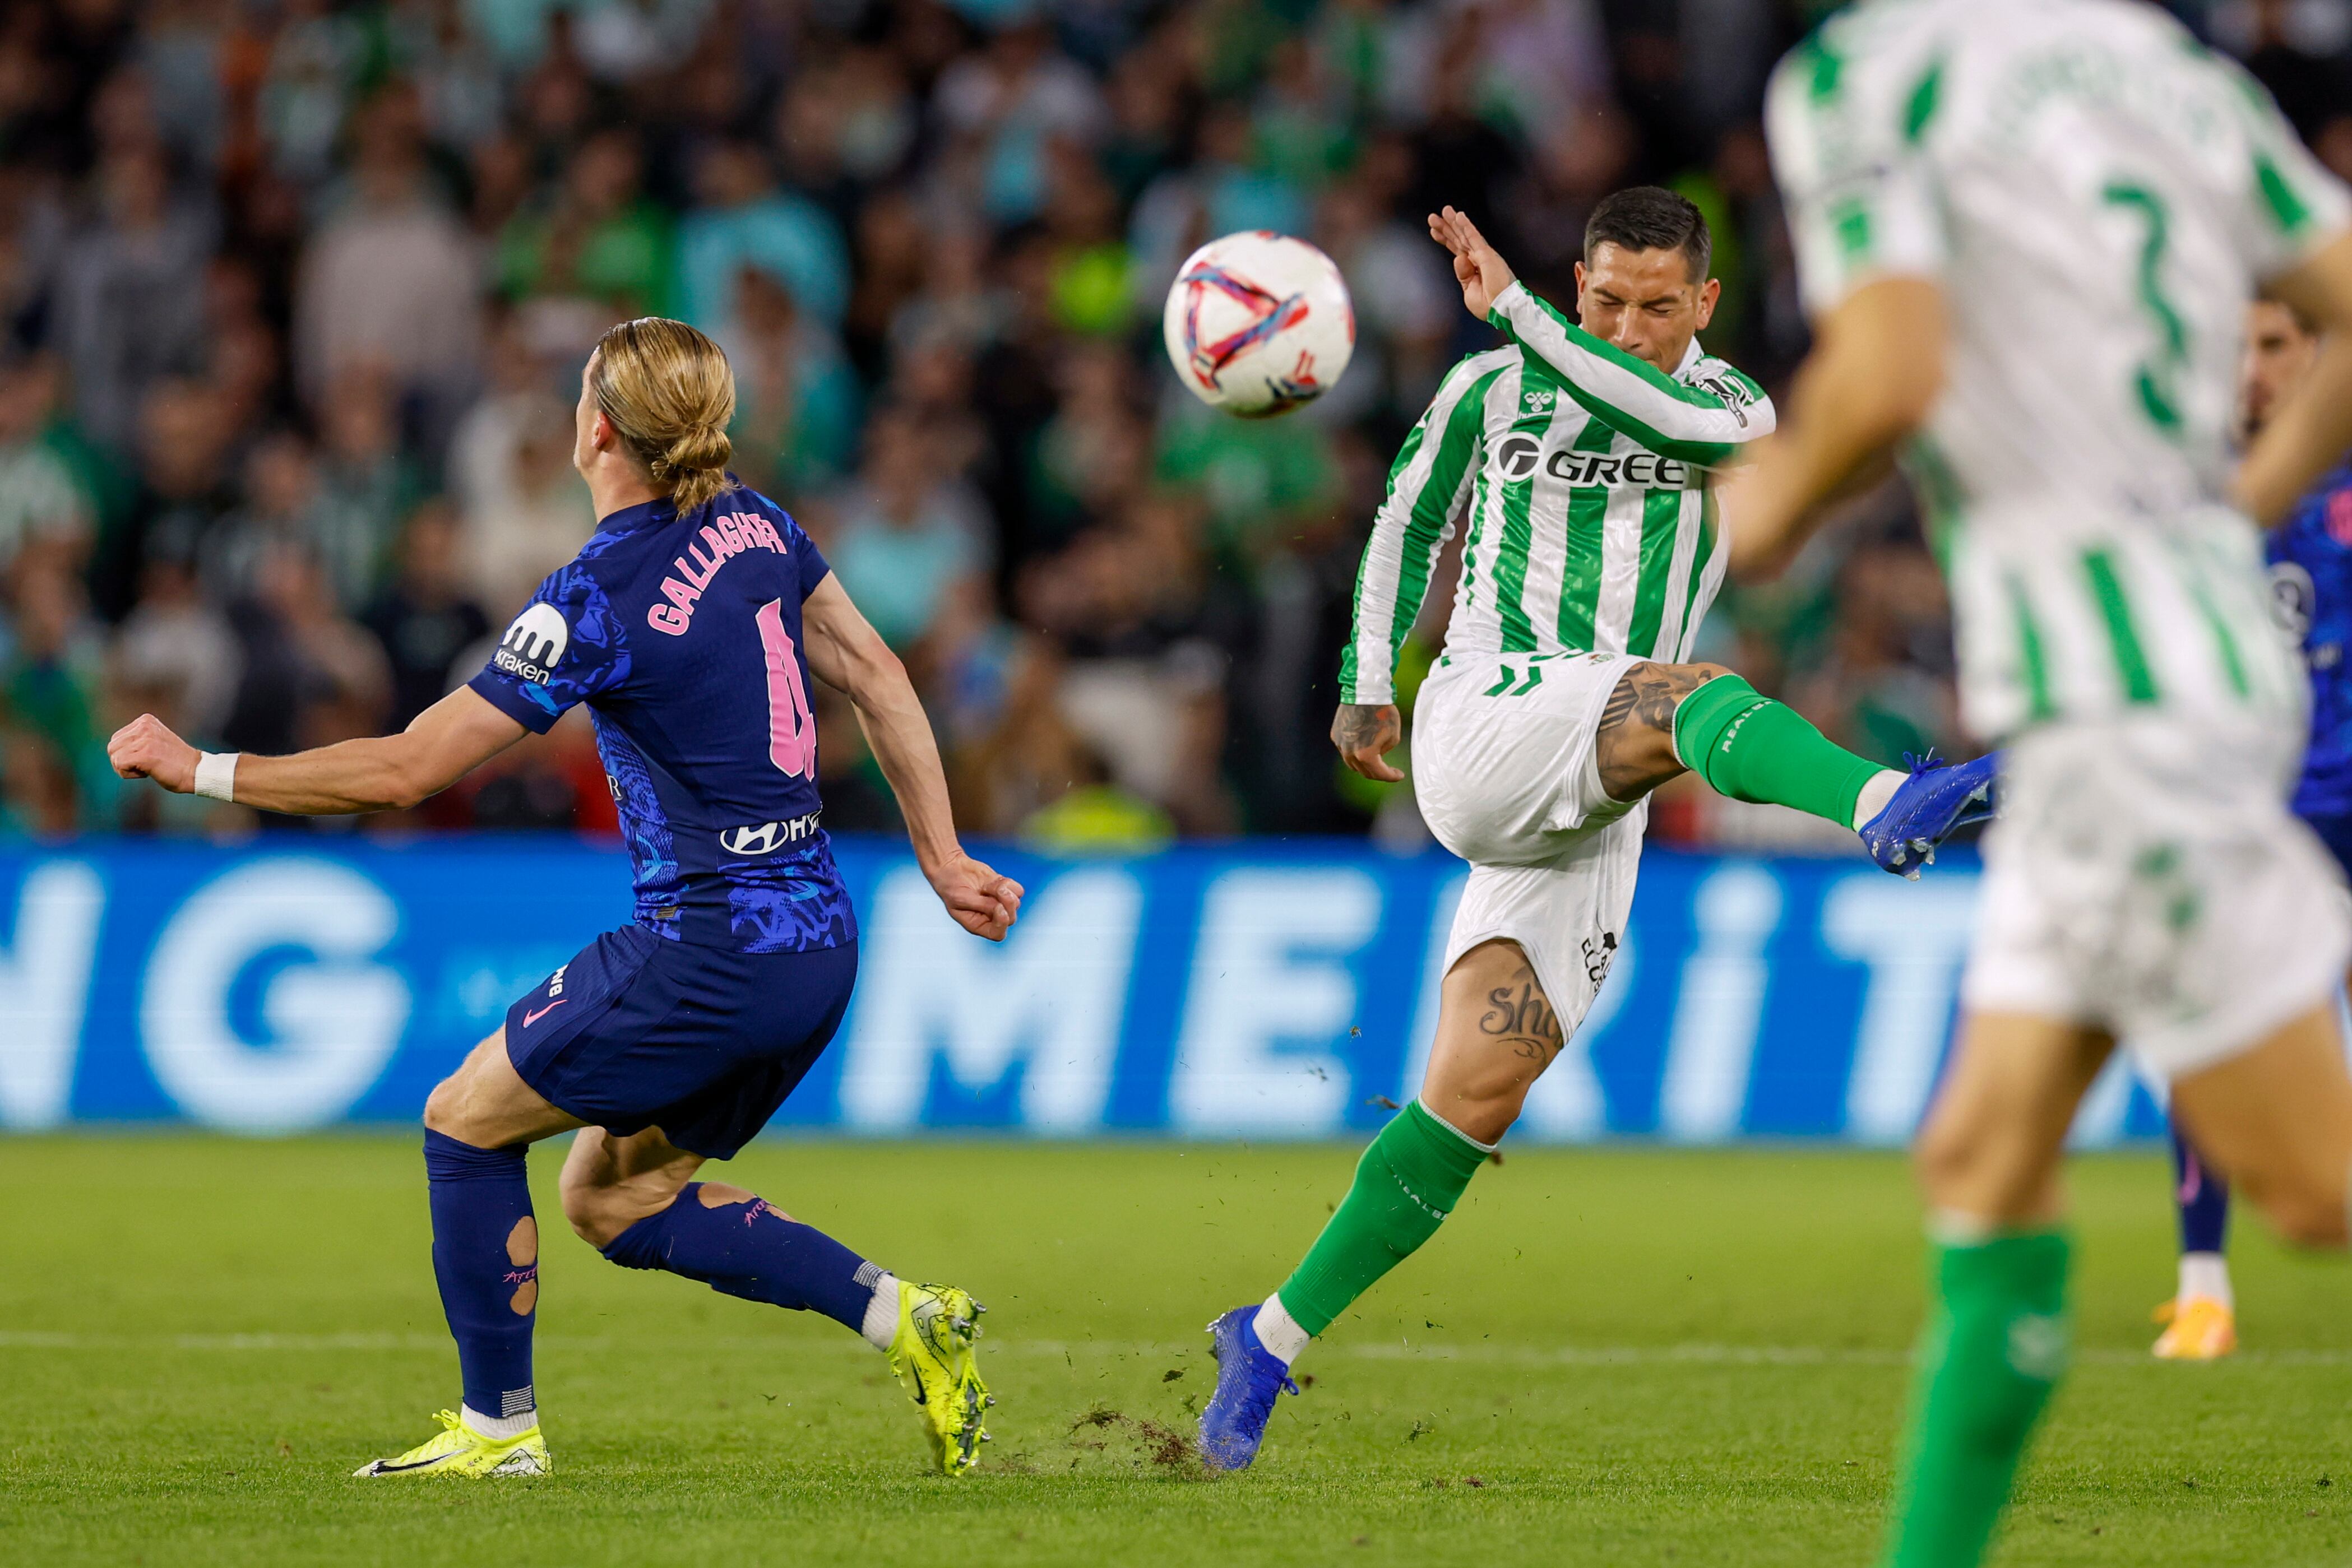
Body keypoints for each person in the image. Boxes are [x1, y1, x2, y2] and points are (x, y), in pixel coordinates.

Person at [107, 317, 1023, 1479]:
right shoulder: (754, 523)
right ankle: (909, 1319)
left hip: (708, 947)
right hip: (818, 944)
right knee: (611, 1201)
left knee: (461, 1120)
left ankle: (499, 1432)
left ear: (594, 427)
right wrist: (939, 855)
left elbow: (407, 770)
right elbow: (879, 675)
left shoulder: (596, 592)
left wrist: (207, 770)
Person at [1195, 188, 1996, 1471]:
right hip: (1494, 715)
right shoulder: (1485, 391)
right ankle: (1880, 802)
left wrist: (1512, 307)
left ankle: (1269, 1334)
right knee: (1689, 697)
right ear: (1581, 284)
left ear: (1707, 306)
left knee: (1476, 1090)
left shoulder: (1731, 407)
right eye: (1605, 301)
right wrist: (1361, 676)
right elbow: (1408, 518)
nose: (1627, 326)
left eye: (1658, 306)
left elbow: (1661, 414)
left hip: (1598, 787)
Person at [1737, 4, 2352, 1564]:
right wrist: (2235, 516)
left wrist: (1753, 515)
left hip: (2116, 703)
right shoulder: (2165, 70)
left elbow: (1882, 375)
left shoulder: (1860, 78)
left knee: (2311, 1184)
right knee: (1981, 1158)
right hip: (2166, 679)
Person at [2153, 298, 2352, 1362]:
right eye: (2230, 347)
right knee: (2206, 1030)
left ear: (2316, 350)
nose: (2250, 372)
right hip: (2250, 814)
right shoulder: (2183, 499)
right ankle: (2202, 1289)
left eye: (2273, 346)